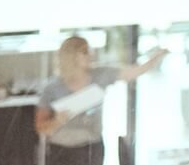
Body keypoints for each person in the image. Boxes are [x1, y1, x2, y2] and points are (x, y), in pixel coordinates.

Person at [35, 36, 168, 165]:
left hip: (92, 148)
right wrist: (58, 120)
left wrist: (156, 58)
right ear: (71, 56)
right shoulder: (52, 88)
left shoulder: (100, 75)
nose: (91, 55)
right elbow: (41, 128)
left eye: (90, 50)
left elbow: (133, 72)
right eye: (85, 52)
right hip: (62, 151)